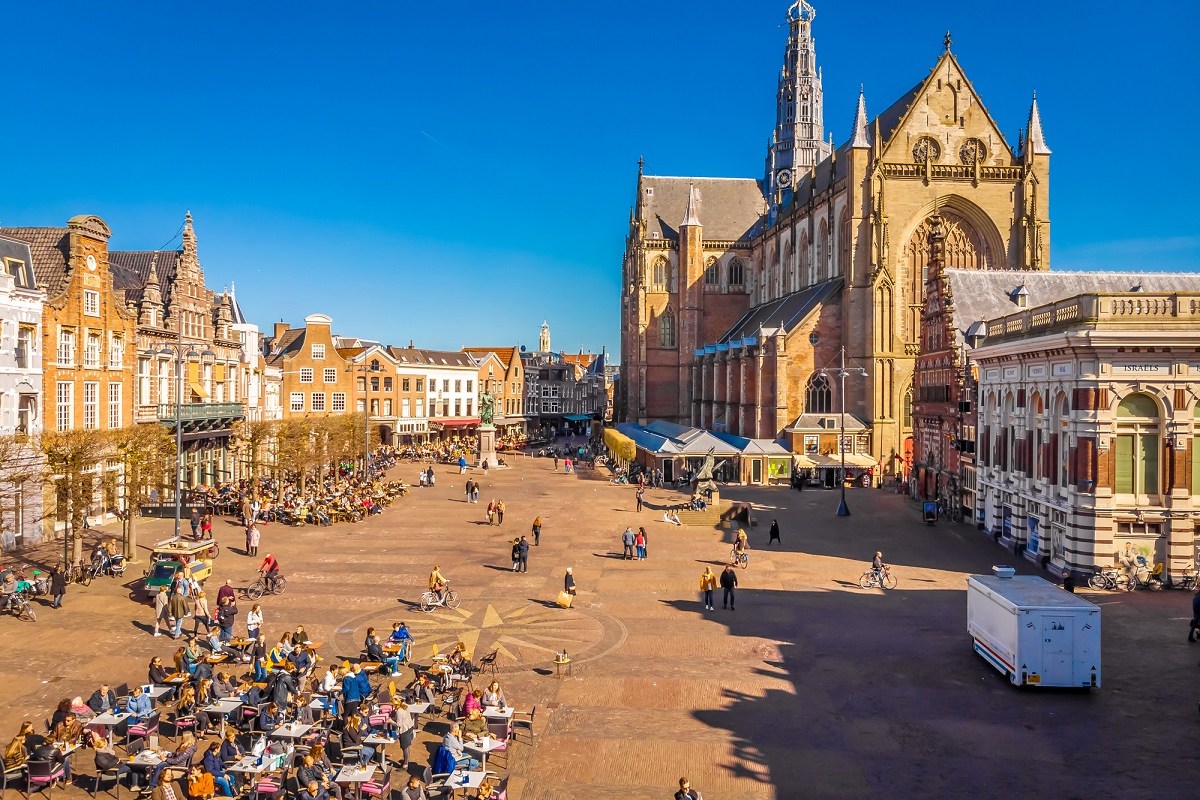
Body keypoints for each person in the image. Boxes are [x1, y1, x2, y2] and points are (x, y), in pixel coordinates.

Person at [393, 700, 416, 769]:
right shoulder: (405, 707)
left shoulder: (399, 711)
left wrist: (391, 721)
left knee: (405, 748)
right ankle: (407, 762)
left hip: (404, 731)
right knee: (408, 747)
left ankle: (405, 765)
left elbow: (399, 724)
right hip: (410, 728)